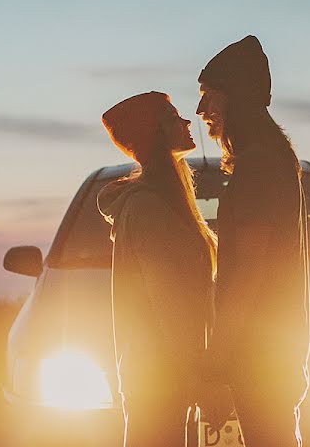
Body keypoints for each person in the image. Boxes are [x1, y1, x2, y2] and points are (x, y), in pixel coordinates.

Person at [196, 35, 310, 446]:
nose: (200, 111)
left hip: (258, 364)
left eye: (209, 96)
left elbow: (244, 277)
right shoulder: (271, 161)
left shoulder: (258, 169)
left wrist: (216, 367)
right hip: (273, 360)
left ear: (237, 98)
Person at [98, 91, 218, 447]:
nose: (185, 121)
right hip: (159, 377)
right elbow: (167, 301)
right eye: (173, 116)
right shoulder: (147, 207)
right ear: (156, 132)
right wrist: (197, 375)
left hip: (165, 374)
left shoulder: (164, 197)